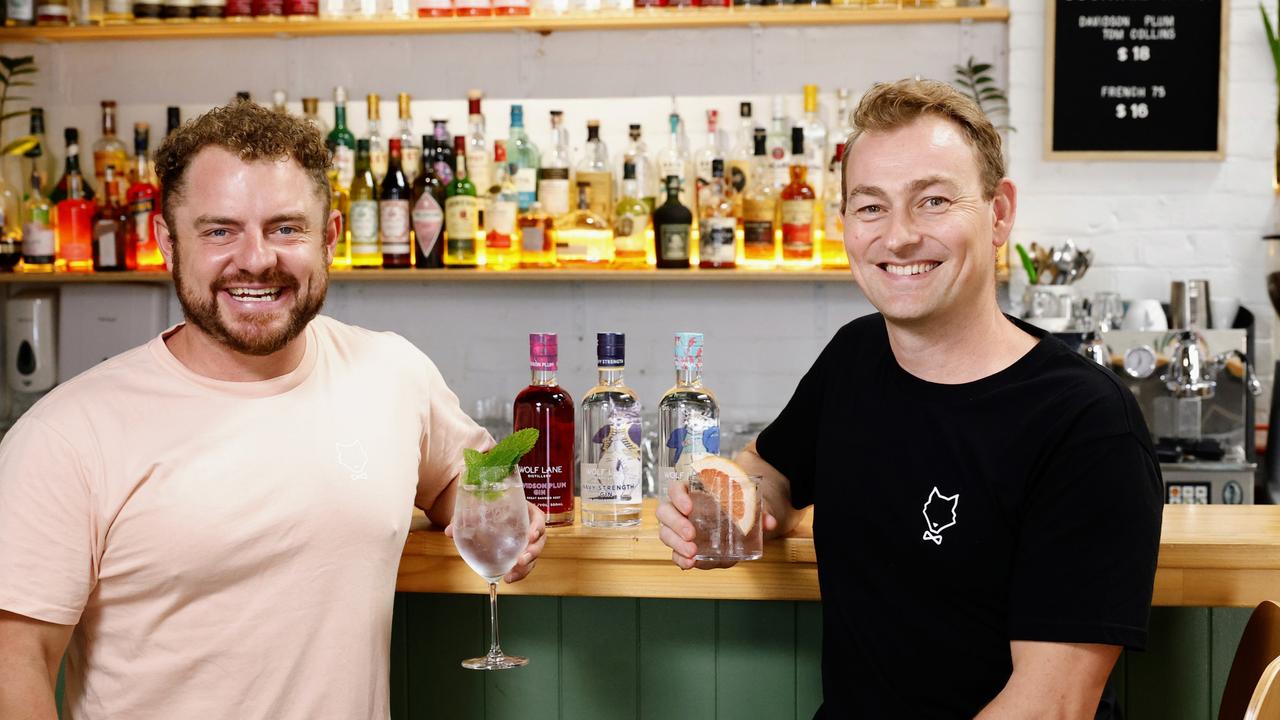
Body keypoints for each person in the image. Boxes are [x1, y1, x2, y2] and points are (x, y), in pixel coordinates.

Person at [0, 101, 546, 719]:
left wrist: (506, 528)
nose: (257, 258)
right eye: (218, 230)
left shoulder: (393, 374)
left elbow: (465, 480)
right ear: (166, 243)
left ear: (331, 238)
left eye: (286, 228)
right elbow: (15, 666)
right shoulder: (66, 435)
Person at [658, 79, 1163, 719]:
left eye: (932, 202)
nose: (897, 238)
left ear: (999, 213)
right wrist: (729, 503)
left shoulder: (1085, 424)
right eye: (870, 207)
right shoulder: (855, 356)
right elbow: (770, 472)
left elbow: (1049, 707)